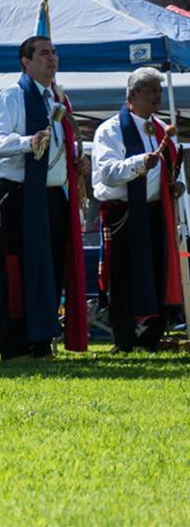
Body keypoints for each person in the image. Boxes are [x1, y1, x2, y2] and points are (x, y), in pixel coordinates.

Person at [0, 37, 88, 360]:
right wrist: (29, 141)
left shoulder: (58, 99)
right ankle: (16, 344)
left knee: (52, 266)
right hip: (18, 195)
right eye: (43, 53)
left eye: (54, 52)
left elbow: (59, 147)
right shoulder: (12, 97)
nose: (52, 58)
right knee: (19, 268)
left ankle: (41, 342)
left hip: (54, 196)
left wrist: (76, 161)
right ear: (25, 62)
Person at [90, 67, 182, 353]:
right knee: (123, 275)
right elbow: (107, 174)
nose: (157, 96)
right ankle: (125, 338)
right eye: (150, 90)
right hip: (124, 213)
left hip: (156, 211)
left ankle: (151, 337)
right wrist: (140, 163)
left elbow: (172, 168)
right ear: (132, 95)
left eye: (158, 90)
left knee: (157, 270)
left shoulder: (160, 128)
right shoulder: (111, 130)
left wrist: (175, 185)